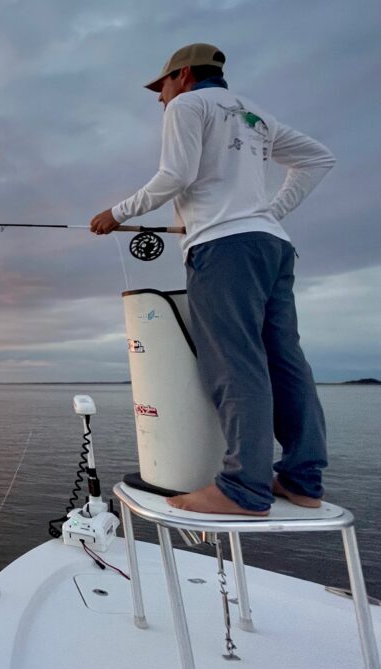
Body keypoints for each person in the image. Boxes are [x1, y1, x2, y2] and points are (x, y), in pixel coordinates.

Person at [90, 43, 335, 516]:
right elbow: (319, 159)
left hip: (224, 250)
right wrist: (267, 212)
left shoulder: (188, 105)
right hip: (272, 246)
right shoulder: (255, 115)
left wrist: (115, 214)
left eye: (160, 88)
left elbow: (174, 175)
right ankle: (304, 480)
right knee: (285, 361)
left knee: (234, 362)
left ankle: (244, 489)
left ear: (182, 76)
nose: (159, 99)